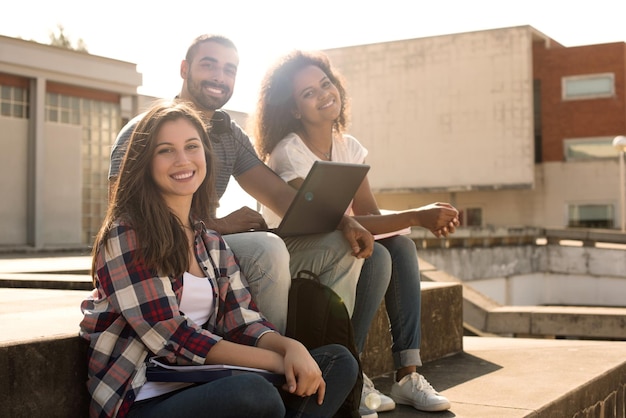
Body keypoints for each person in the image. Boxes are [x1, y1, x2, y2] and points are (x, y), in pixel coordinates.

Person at [80, 100, 359, 418]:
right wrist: (280, 361)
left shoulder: (208, 241)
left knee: (338, 361)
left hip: (204, 385)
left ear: (205, 156)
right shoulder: (127, 233)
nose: (182, 160)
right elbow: (173, 338)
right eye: (165, 151)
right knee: (254, 395)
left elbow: (242, 320)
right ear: (144, 162)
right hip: (141, 399)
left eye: (191, 146)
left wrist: (289, 347)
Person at [109, 35, 374, 335]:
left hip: (212, 247)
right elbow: (121, 217)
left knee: (341, 246)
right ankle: (275, 363)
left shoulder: (227, 134)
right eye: (208, 65)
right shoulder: (144, 131)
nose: (219, 77)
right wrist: (213, 225)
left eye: (229, 70)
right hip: (170, 251)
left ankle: (326, 358)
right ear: (184, 69)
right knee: (266, 248)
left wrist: (345, 221)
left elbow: (278, 194)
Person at [250, 50, 460, 416]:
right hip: (295, 249)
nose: (323, 94)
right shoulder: (290, 153)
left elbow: (369, 217)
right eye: (308, 93)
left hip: (338, 238)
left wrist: (418, 218)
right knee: (376, 254)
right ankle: (354, 372)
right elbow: (323, 217)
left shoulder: (348, 146)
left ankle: (407, 374)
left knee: (401, 247)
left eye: (325, 84)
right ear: (295, 109)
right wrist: (419, 214)